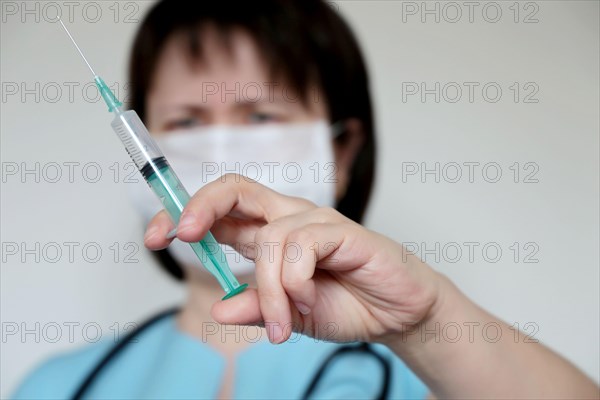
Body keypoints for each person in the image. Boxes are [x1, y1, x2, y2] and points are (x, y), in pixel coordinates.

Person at [13, 1, 598, 399]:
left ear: (343, 152)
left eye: (262, 114)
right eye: (185, 121)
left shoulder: (447, 375)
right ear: (143, 147)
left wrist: (430, 322)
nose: (221, 153)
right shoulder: (58, 387)